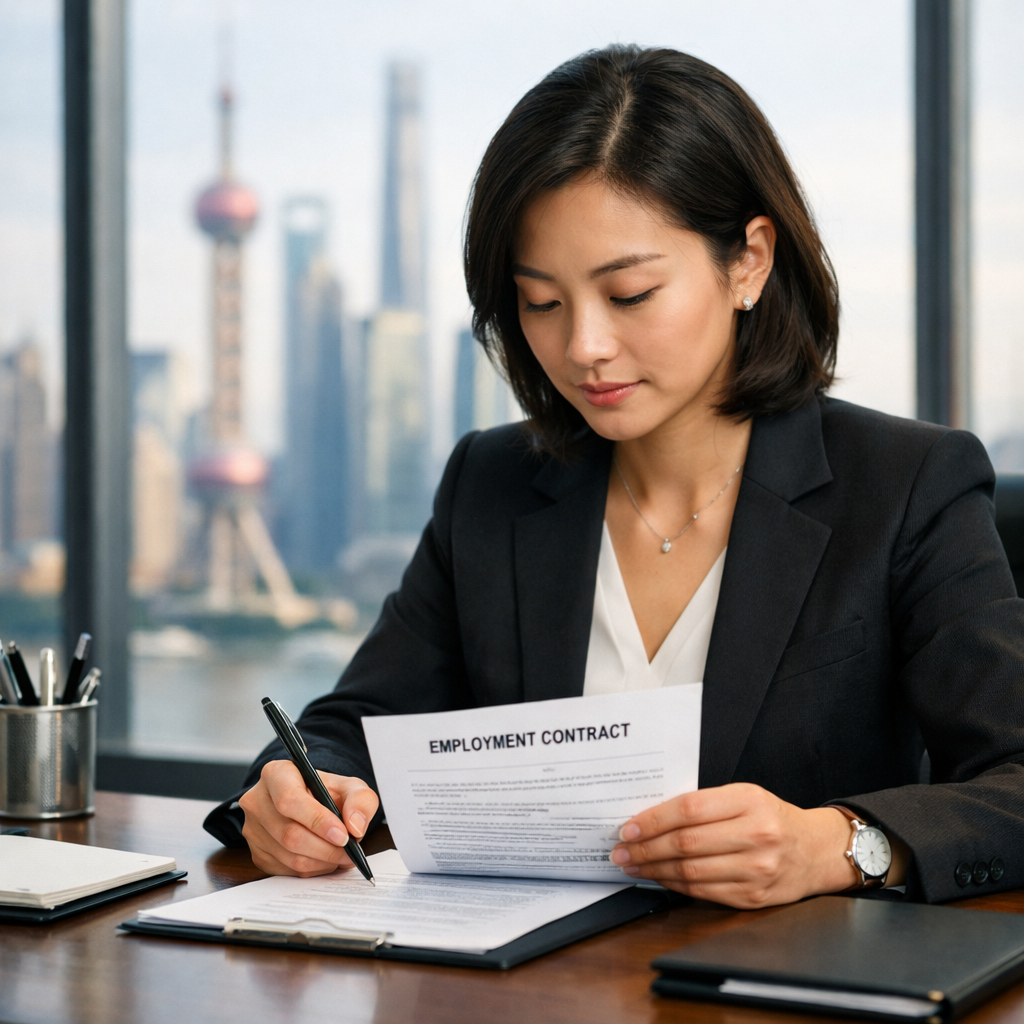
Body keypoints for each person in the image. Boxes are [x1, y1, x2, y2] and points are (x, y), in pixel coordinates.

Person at [205, 45, 1024, 908]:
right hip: (531, 982)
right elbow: (348, 730)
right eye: (542, 303)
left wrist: (842, 844)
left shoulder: (904, 486)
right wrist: (296, 795)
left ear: (748, 261)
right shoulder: (492, 482)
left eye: (628, 294)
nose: (582, 347)